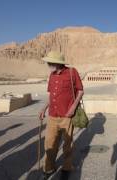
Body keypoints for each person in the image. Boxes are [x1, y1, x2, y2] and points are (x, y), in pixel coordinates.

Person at [38, 51, 84, 179]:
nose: (48, 64)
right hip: (53, 115)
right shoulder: (52, 75)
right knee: (49, 143)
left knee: (67, 144)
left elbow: (80, 90)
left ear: (58, 63)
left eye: (50, 62)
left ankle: (67, 167)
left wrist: (73, 107)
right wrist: (43, 109)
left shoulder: (71, 72)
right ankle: (49, 168)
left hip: (67, 116)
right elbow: (51, 95)